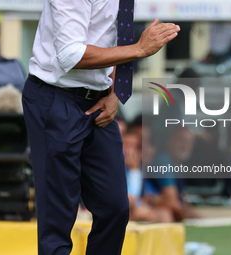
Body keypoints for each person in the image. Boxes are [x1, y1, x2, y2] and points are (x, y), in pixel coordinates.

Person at [22, 0, 181, 254]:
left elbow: (117, 37)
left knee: (115, 207)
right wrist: (139, 49)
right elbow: (69, 55)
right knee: (58, 216)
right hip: (54, 97)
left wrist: (115, 93)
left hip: (99, 98)